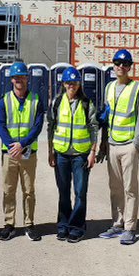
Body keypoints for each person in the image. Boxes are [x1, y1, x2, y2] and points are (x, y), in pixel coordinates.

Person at [98, 49, 139, 245]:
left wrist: (137, 143)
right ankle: (117, 224)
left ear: (130, 67)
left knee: (130, 188)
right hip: (112, 144)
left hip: (128, 145)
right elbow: (106, 118)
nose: (120, 66)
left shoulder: (137, 88)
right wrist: (103, 143)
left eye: (125, 64)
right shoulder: (109, 87)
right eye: (117, 63)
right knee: (115, 187)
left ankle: (129, 227)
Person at [47, 66, 98, 243]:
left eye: (75, 83)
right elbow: (51, 128)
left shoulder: (86, 104)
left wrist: (93, 152)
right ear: (64, 83)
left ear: (79, 84)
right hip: (61, 154)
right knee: (63, 192)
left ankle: (77, 226)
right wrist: (50, 152)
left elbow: (93, 128)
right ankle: (63, 224)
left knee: (80, 192)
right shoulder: (56, 102)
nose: (72, 86)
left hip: (80, 155)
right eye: (69, 82)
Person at [0, 61, 45, 241]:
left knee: (29, 190)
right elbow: (0, 125)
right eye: (16, 77)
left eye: (22, 77)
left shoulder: (36, 100)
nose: (19, 80)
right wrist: (11, 145)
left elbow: (38, 126)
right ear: (12, 80)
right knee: (8, 190)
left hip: (28, 153)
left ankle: (29, 224)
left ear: (27, 79)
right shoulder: (4, 101)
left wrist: (22, 144)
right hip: (9, 154)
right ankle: (9, 224)